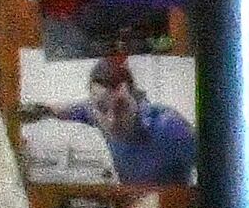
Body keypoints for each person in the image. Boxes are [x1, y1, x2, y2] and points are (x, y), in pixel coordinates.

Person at [59, 54, 196, 189]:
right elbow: (70, 110)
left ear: (135, 100)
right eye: (102, 108)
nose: (112, 121)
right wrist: (43, 110)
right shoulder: (93, 112)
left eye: (122, 107)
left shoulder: (169, 128)